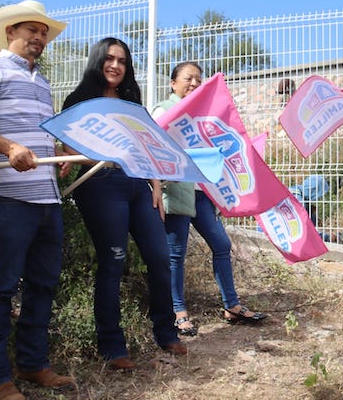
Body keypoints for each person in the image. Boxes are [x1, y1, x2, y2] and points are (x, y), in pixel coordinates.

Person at [0, 0, 73, 400]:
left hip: (47, 196)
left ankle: (32, 363)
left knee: (43, 284)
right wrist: (10, 148)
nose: (39, 38)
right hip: (8, 195)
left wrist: (57, 148)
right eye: (32, 30)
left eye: (44, 32)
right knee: (1, 287)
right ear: (11, 31)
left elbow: (37, 130)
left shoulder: (41, 81)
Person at [61, 38, 186, 370]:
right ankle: (113, 347)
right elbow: (68, 149)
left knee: (159, 258)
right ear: (98, 61)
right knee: (112, 262)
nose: (116, 65)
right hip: (99, 185)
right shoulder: (78, 101)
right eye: (110, 59)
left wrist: (156, 186)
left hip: (137, 183)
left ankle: (166, 332)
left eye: (122, 61)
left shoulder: (132, 100)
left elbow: (146, 145)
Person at [152, 61, 267, 337]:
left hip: (202, 194)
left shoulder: (201, 113)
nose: (193, 83)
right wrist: (156, 186)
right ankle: (178, 312)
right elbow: (154, 148)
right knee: (176, 254)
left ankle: (232, 305)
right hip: (176, 191)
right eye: (188, 78)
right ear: (173, 83)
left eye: (198, 80)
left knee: (221, 243)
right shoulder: (163, 109)